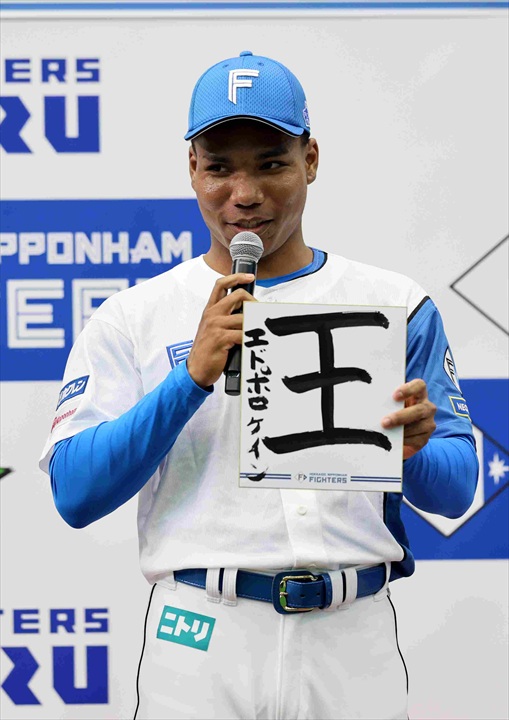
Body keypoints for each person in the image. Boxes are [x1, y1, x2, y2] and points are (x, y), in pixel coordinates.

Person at [40, 51, 478, 720]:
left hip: (351, 633)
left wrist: (408, 452)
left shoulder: (395, 302)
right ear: (192, 168)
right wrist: (189, 380)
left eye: (271, 164)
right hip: (200, 634)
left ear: (311, 160)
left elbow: (456, 489)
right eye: (220, 168)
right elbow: (74, 494)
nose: (243, 194)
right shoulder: (134, 314)